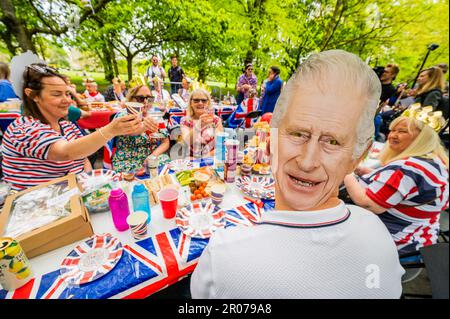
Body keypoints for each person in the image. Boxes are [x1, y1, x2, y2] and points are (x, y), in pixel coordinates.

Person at [190, 50, 404, 298]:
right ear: (271, 141)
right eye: (299, 134)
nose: (307, 161)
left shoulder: (224, 257)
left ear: (357, 158)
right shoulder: (378, 235)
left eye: (333, 141)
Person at [1, 63, 143, 191]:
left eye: (68, 93)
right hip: (38, 211)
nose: (67, 100)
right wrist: (111, 129)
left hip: (74, 197)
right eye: (57, 94)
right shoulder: (24, 128)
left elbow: (83, 157)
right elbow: (66, 152)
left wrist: (89, 185)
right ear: (33, 95)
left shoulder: (65, 124)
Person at [344, 115, 448, 255]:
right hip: (420, 235)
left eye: (402, 131)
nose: (393, 135)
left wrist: (346, 171)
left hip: (392, 239)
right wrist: (367, 172)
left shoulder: (407, 167)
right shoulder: (434, 159)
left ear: (422, 137)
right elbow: (405, 187)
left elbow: (369, 204)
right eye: (392, 130)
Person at [111, 85, 170, 173]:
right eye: (140, 98)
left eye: (149, 98)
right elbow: (130, 131)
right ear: (131, 100)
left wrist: (153, 155)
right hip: (128, 161)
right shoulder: (124, 115)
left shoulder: (154, 115)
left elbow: (165, 142)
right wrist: (145, 126)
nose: (146, 101)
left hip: (152, 158)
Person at [180, 88, 223, 158]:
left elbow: (220, 146)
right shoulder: (185, 121)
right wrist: (199, 125)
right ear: (191, 103)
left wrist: (203, 159)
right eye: (196, 100)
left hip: (211, 159)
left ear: (208, 103)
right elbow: (186, 142)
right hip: (191, 160)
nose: (200, 103)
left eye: (204, 100)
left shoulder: (216, 120)